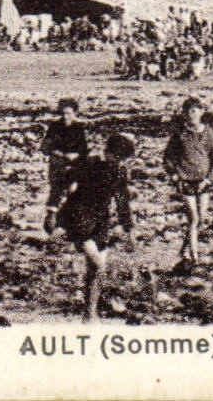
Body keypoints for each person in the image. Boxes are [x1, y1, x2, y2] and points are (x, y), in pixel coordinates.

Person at [50, 132, 136, 322]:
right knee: (98, 263)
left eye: (122, 159)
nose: (119, 161)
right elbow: (62, 181)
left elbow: (122, 202)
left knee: (96, 268)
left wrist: (128, 227)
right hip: (78, 216)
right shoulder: (89, 164)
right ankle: (92, 310)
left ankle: (90, 313)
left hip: (99, 221)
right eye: (117, 157)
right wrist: (53, 209)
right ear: (108, 152)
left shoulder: (115, 171)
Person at [163, 96, 213, 266]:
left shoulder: (208, 134)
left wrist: (209, 179)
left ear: (201, 112)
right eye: (188, 111)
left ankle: (184, 247)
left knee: (201, 219)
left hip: (203, 182)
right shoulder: (179, 134)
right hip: (186, 181)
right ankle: (194, 257)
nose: (191, 115)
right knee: (194, 218)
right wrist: (175, 175)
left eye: (194, 111)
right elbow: (168, 157)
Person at [41, 98, 91, 233]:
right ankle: (51, 221)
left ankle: (71, 223)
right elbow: (45, 147)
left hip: (73, 165)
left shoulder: (78, 128)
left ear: (74, 113)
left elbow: (84, 150)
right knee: (56, 190)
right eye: (63, 113)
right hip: (58, 164)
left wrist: (76, 155)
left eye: (69, 113)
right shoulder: (54, 127)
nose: (65, 116)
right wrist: (58, 153)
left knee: (73, 191)